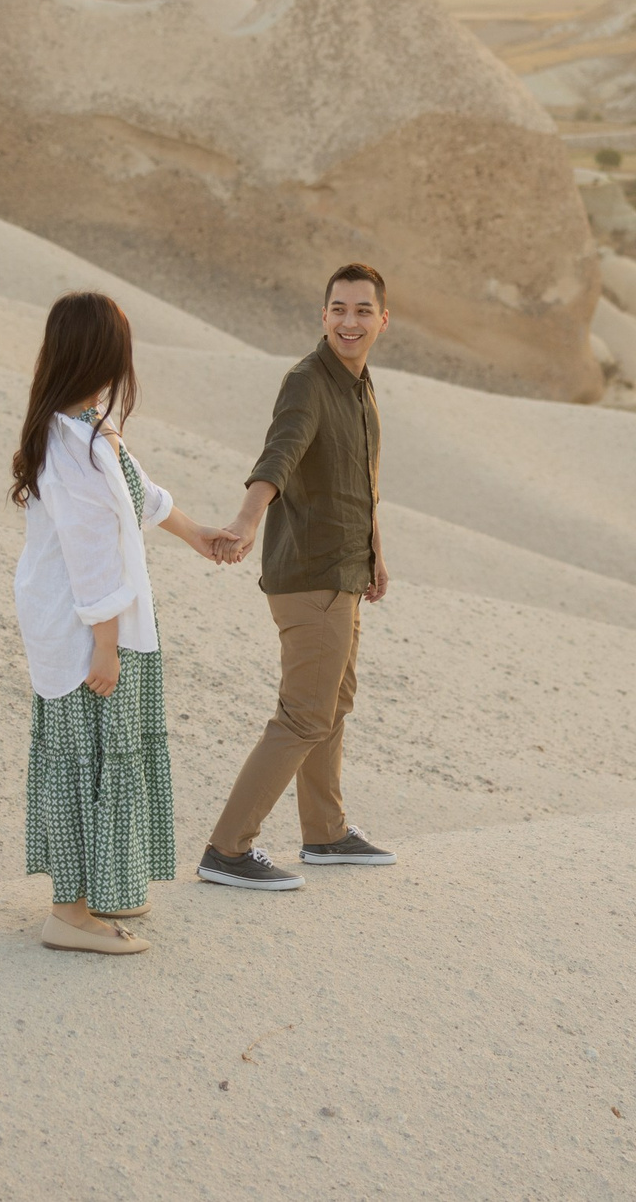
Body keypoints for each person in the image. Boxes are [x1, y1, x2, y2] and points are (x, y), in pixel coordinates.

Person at [10, 292, 234, 954]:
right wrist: (103, 647)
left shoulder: (90, 426)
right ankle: (69, 913)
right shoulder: (69, 443)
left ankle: (100, 888)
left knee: (109, 755)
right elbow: (90, 550)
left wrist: (199, 535)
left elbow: (142, 492)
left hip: (107, 621)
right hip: (87, 628)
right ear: (100, 355)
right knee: (89, 759)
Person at [197, 264, 399, 890]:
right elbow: (278, 456)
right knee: (305, 714)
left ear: (382, 321)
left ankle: (327, 834)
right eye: (338, 309)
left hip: (345, 571)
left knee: (332, 704)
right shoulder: (307, 383)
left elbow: (358, 482)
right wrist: (247, 518)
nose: (350, 321)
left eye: (363, 311)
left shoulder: (360, 387)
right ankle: (227, 850)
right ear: (323, 316)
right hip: (309, 575)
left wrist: (375, 554)